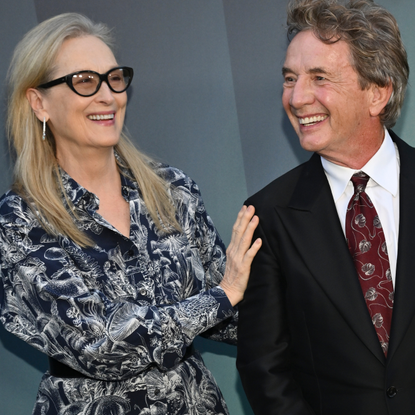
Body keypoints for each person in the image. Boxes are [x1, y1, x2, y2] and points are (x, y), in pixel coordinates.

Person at [0, 13, 261, 415]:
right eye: (84, 81)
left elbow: (229, 317)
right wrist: (223, 295)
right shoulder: (18, 221)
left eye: (114, 78)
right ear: (39, 103)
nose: (108, 96)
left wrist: (317, 307)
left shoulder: (174, 191)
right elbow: (101, 344)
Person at [236, 0, 415, 414]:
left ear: (377, 92)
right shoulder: (268, 216)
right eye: (290, 78)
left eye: (319, 78)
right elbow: (265, 368)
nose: (298, 98)